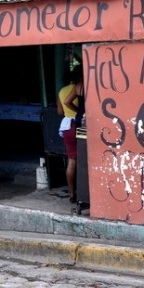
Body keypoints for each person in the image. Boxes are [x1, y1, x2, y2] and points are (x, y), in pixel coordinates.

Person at [57, 65, 84, 203]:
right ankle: (84, 192)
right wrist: (79, 110)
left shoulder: (62, 91)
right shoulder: (81, 86)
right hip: (79, 124)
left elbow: (60, 112)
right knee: (84, 160)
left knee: (71, 161)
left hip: (67, 125)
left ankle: (72, 194)